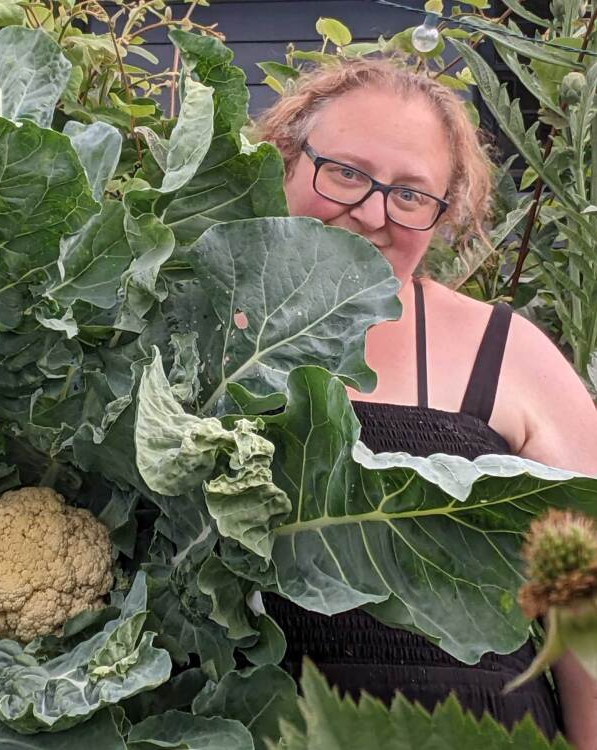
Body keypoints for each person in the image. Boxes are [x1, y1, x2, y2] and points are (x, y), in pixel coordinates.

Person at [253, 56, 597, 749]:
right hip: (253, 723)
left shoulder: (505, 350)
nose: (371, 212)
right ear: (285, 160)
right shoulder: (191, 328)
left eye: (410, 195)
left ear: (443, 217)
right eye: (345, 172)